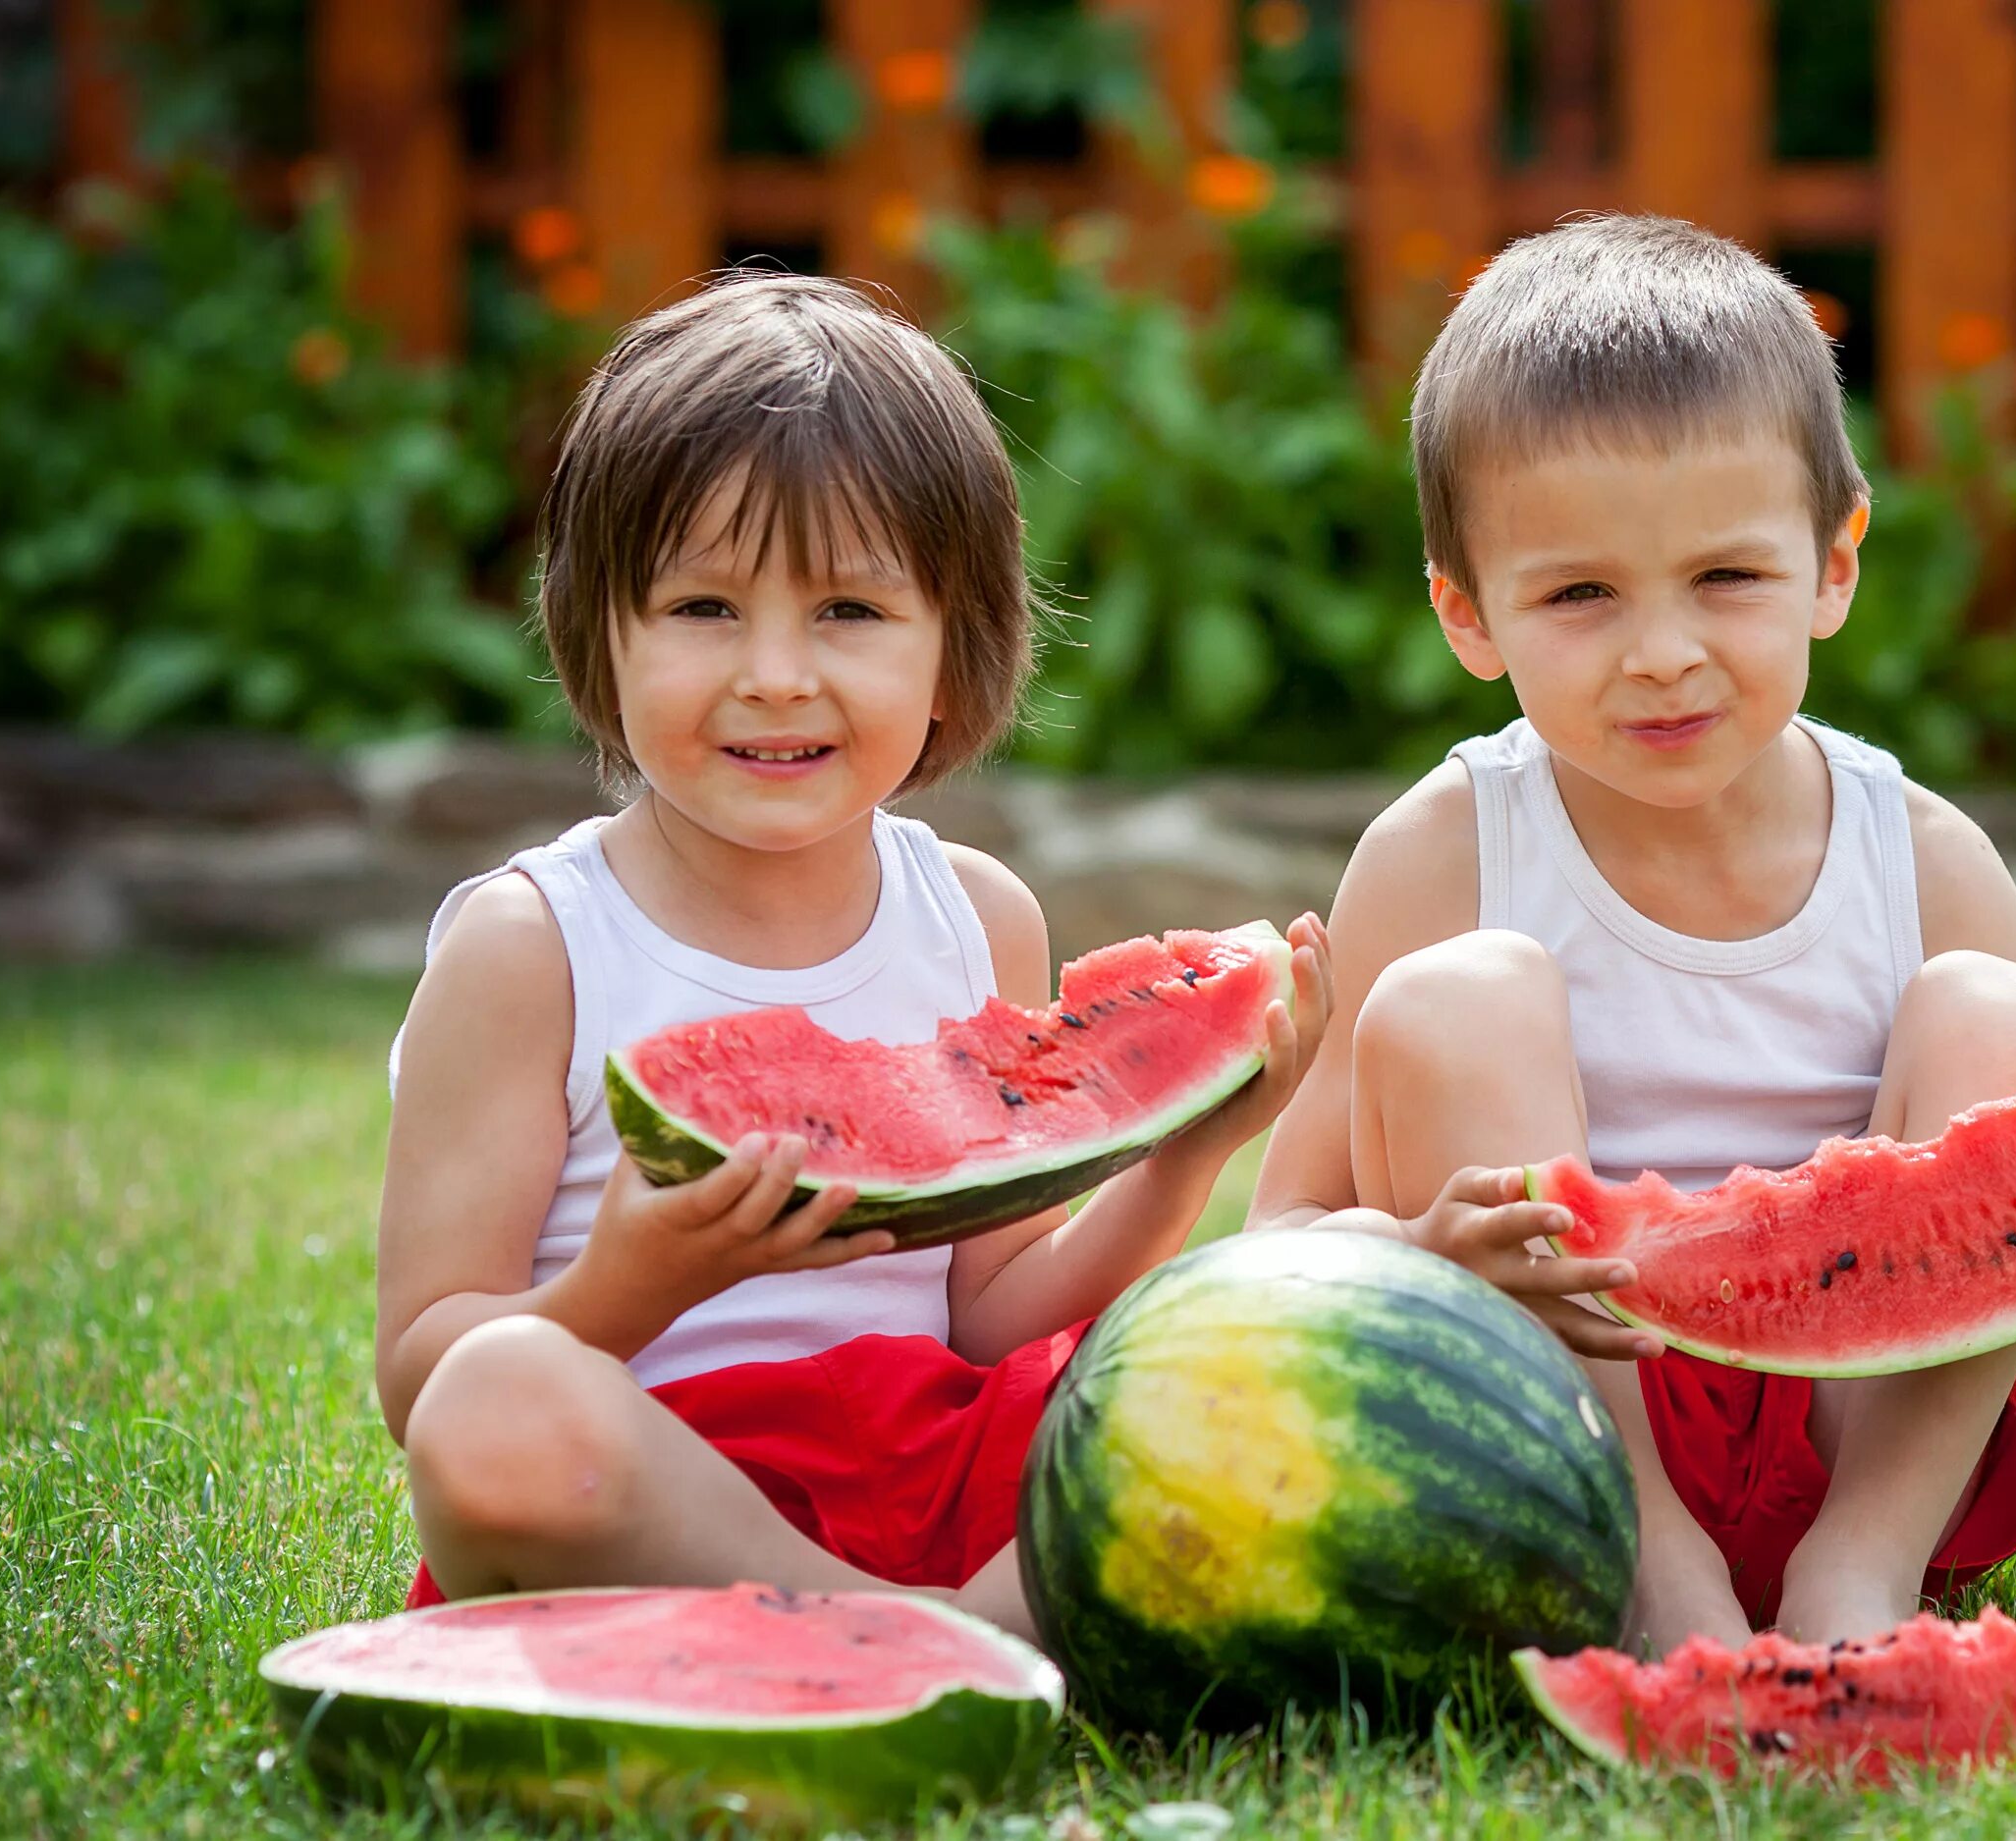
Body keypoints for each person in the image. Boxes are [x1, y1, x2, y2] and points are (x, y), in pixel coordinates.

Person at [1247, 217, 2016, 1651]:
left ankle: (1864, 1568)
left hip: (1866, 1434)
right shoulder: (1444, 851)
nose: (1663, 651)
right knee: (1457, 998)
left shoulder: (1927, 863)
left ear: (1833, 566)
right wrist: (1424, 1247)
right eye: (1580, 595)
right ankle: (1657, 1572)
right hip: (1547, 1432)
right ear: (1468, 613)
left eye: (1725, 579)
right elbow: (1281, 1237)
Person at [375, 272, 1328, 1636]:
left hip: (934, 1473)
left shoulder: (975, 915)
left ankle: (915, 1637)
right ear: (600, 631)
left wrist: (1185, 1150)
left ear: (955, 652)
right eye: (702, 609)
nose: (774, 673)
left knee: (1252, 1352)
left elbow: (995, 1315)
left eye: (849, 613)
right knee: (498, 1403)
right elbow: (422, 1381)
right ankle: (957, 1645)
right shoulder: (531, 946)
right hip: (643, 1479)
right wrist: (634, 1284)